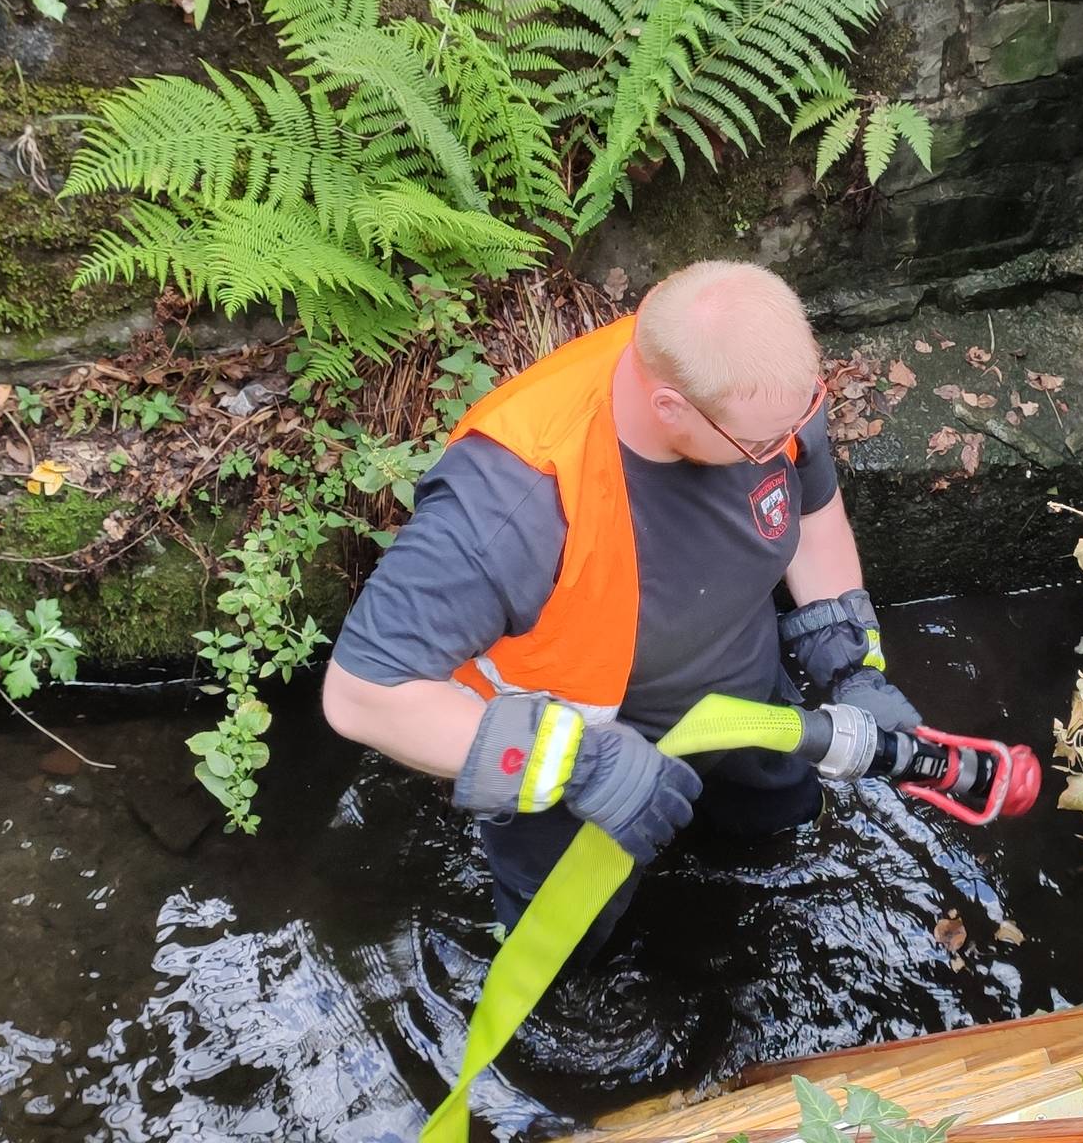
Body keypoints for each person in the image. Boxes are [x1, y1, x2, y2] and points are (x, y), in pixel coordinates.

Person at [320, 260, 923, 960]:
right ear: (671, 407)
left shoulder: (763, 393)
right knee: (572, 955)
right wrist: (583, 767)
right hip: (577, 763)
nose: (777, 452)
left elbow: (814, 513)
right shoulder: (514, 499)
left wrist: (851, 663)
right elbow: (361, 695)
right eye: (758, 447)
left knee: (780, 844)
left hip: (745, 710)